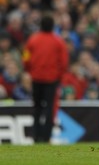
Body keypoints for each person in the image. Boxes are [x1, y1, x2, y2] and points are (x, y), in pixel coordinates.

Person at [23, 14, 69, 143]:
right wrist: (59, 76)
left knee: (37, 108)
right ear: (52, 26)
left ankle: (36, 137)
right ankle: (46, 137)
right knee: (49, 109)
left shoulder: (33, 40)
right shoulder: (58, 41)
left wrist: (29, 70)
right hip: (51, 80)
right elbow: (64, 62)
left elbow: (26, 58)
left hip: (36, 79)